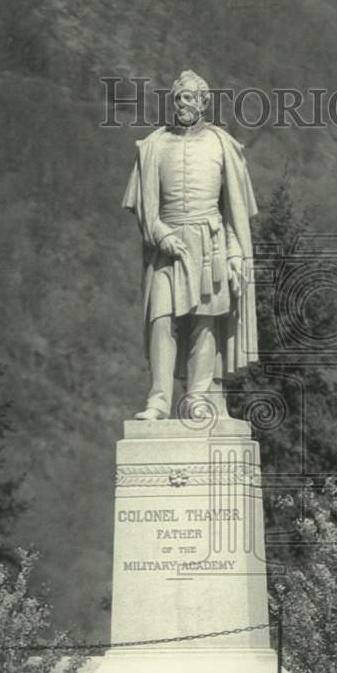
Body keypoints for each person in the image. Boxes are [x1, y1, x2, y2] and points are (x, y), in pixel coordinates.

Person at [122, 69, 259, 420]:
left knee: (205, 320)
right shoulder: (153, 145)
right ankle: (159, 400)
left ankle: (198, 397)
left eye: (189, 98)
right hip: (165, 247)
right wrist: (162, 235)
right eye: (178, 97)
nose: (182, 103)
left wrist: (234, 254)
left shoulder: (222, 145)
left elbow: (233, 213)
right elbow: (144, 207)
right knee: (161, 318)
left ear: (203, 103)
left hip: (209, 244)